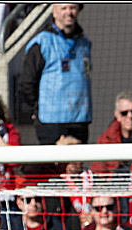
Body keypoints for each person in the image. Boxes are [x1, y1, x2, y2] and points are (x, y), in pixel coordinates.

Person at [18, 3, 91, 144]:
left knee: (76, 166)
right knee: (54, 166)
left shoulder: (84, 43)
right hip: (51, 122)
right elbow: (27, 82)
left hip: (80, 121)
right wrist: (35, 109)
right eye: (64, 8)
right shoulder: (41, 42)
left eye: (73, 8)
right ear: (54, 12)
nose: (69, 12)